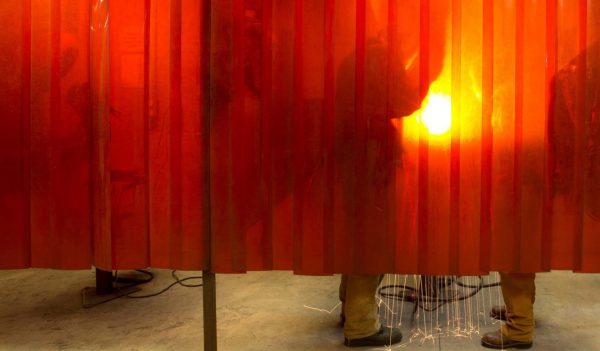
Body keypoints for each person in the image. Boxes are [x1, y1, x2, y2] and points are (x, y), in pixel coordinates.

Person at [482, 39, 600, 350]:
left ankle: (519, 326)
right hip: (543, 149)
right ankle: (521, 313)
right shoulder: (580, 47)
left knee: (516, 233)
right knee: (523, 232)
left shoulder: (582, 55)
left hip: (537, 150)